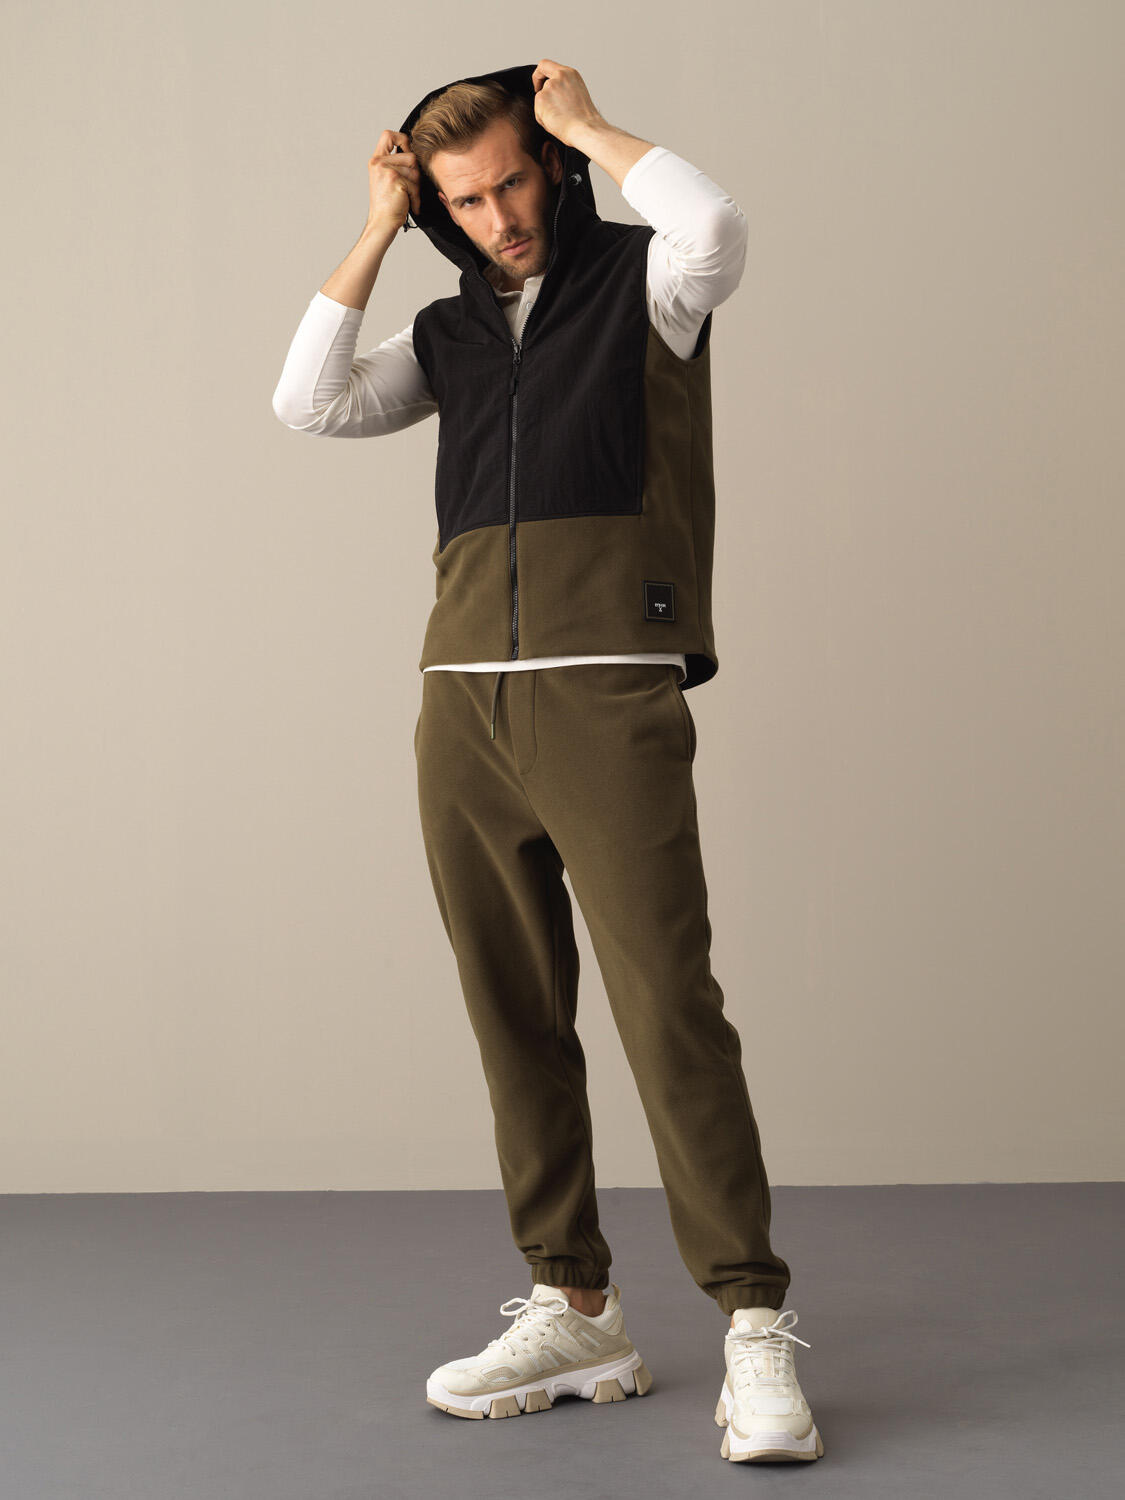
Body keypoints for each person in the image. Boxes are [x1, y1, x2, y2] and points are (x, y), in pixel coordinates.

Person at [272, 57, 823, 1465]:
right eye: (466, 200)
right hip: (461, 702)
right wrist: (379, 223)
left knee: (666, 1005)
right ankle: (576, 1304)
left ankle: (752, 1321)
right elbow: (308, 402)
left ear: (553, 168)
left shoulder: (648, 283)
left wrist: (584, 121)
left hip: (605, 686)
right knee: (512, 1010)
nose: (499, 217)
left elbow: (717, 227)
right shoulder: (449, 332)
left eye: (514, 179)